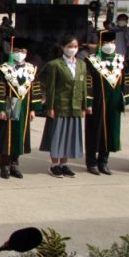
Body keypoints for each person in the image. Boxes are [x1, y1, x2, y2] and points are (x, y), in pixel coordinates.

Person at [39, 36, 91, 178]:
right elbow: (50, 86)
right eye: (69, 46)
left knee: (69, 136)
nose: (72, 49)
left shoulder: (81, 65)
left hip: (74, 106)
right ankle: (54, 165)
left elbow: (83, 87)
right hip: (59, 105)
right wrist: (50, 106)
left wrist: (84, 106)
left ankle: (64, 164)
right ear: (63, 47)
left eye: (75, 46)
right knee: (57, 135)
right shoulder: (55, 65)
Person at [84, 31, 129, 175]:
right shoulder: (91, 60)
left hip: (114, 102)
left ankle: (103, 161)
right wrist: (88, 102)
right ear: (100, 44)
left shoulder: (120, 60)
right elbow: (88, 83)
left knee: (111, 131)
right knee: (95, 131)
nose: (110, 46)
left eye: (112, 43)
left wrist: (127, 97)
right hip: (97, 102)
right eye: (106, 43)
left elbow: (126, 79)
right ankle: (91, 162)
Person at [0, 39, 43, 179]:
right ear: (11, 51)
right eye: (17, 50)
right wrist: (1, 108)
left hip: (25, 105)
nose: (20, 53)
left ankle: (14, 164)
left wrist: (33, 108)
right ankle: (4, 165)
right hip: (11, 102)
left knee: (20, 135)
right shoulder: (4, 68)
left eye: (23, 51)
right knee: (7, 135)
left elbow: (35, 90)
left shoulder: (31, 69)